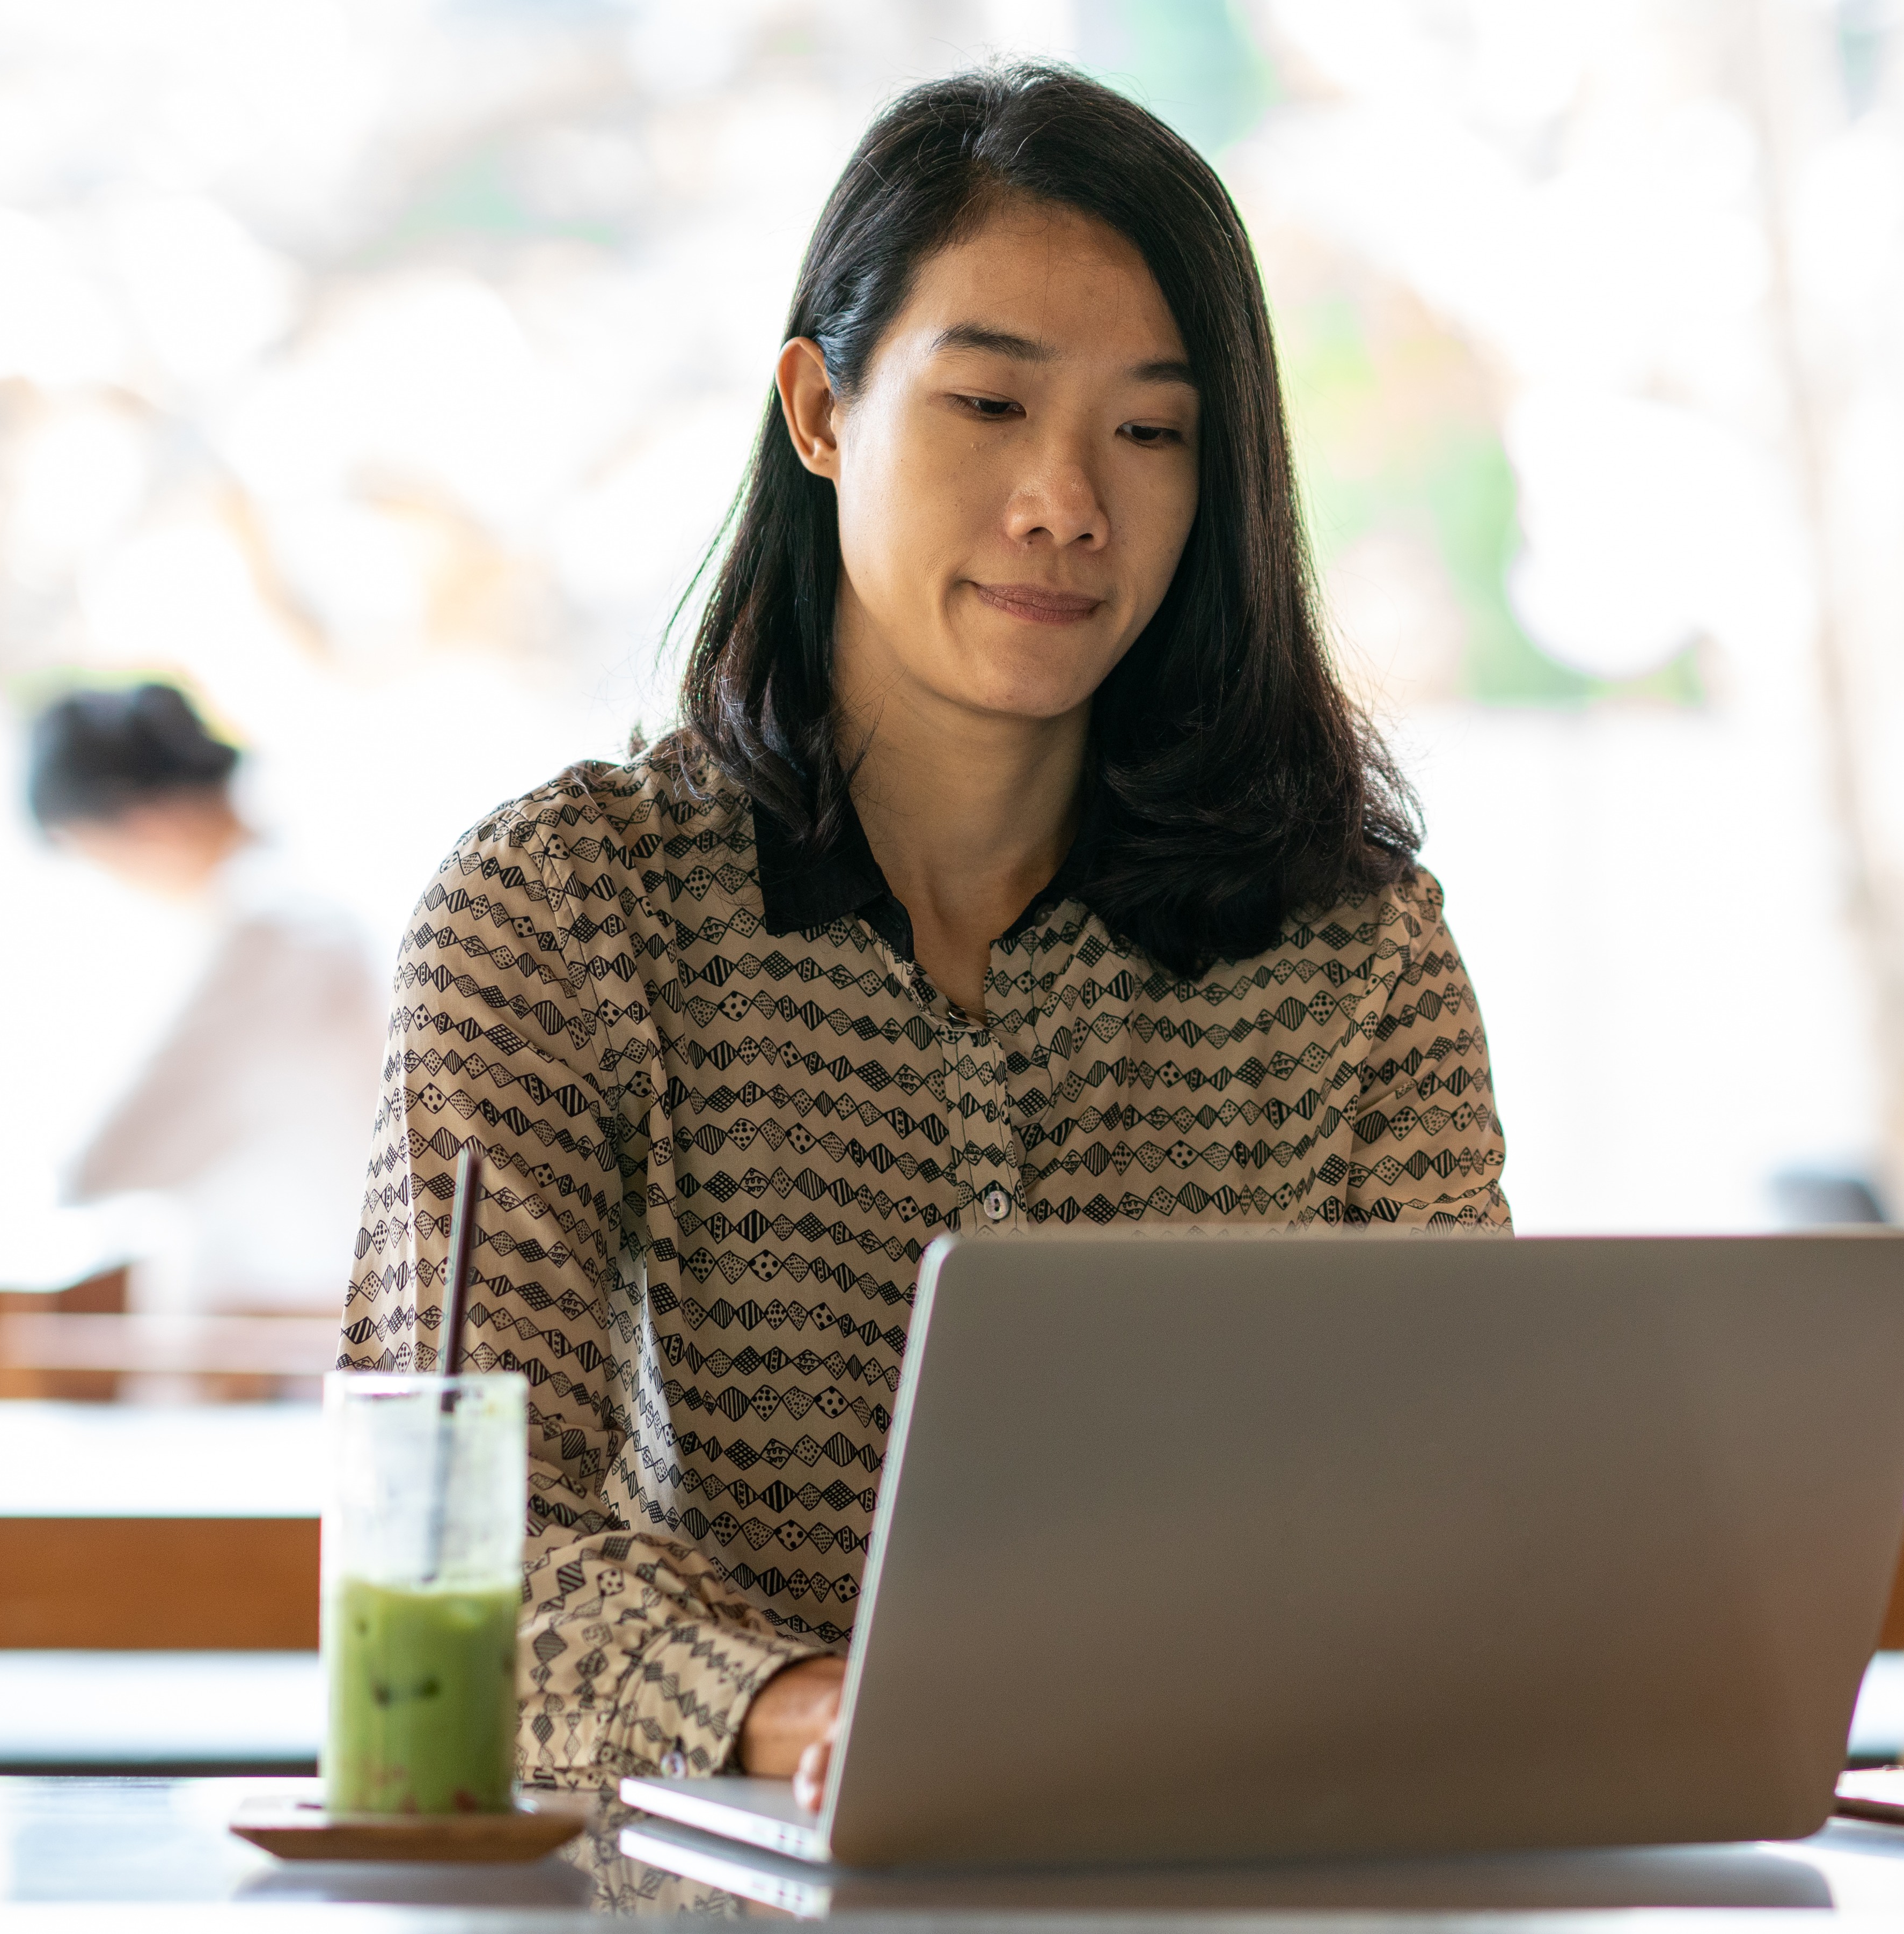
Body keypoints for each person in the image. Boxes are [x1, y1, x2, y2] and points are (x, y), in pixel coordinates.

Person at [345, 62, 1510, 1797]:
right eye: (986, 406)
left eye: (1150, 429)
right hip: (724, 1887)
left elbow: (1465, 1511)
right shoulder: (563, 913)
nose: (1066, 502)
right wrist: (809, 1711)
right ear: (820, 411)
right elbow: (461, 1550)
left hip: (1224, 1872)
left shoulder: (1354, 955)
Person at [33, 682, 384, 1321]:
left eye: (96, 854)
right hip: (290, 1325)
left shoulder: (272, 930)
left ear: (144, 822)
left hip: (288, 1341)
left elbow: (108, 1157)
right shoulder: (285, 914)